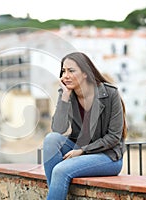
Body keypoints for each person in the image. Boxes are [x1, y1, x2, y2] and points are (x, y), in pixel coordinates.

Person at [43, 52, 127, 200]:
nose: (65, 75)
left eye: (71, 70)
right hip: (78, 151)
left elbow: (113, 137)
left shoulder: (110, 93)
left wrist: (82, 150)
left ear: (85, 73)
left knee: (60, 170)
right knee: (51, 139)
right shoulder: (67, 94)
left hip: (108, 156)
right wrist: (64, 97)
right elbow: (58, 129)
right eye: (63, 71)